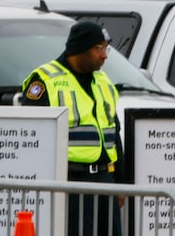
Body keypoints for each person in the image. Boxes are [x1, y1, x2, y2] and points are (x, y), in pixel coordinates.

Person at [22, 20, 122, 236]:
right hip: (70, 182)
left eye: (106, 49)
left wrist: (121, 181)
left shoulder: (103, 81)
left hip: (105, 180)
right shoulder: (44, 80)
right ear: (80, 48)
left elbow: (115, 133)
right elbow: (33, 137)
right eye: (99, 48)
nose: (105, 55)